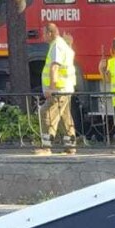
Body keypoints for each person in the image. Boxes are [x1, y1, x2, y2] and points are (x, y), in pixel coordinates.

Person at [40, 22, 76, 153]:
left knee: (46, 113)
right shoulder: (63, 45)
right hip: (65, 88)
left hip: (59, 89)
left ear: (50, 33)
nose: (43, 36)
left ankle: (46, 147)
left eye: (44, 33)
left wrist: (51, 88)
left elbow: (55, 67)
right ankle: (70, 147)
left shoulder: (57, 46)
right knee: (64, 118)